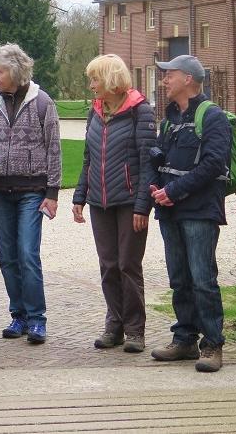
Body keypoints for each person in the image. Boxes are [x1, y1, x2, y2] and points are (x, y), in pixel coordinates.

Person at [149, 54, 231, 373]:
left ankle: (212, 344)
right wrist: (156, 188)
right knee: (179, 279)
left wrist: (173, 191)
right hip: (169, 212)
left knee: (202, 279)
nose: (164, 79)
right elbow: (156, 160)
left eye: (169, 74)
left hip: (198, 211)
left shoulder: (212, 118)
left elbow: (213, 165)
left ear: (188, 79)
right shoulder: (169, 120)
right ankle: (184, 339)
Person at [0, 43, 61, 345]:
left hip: (31, 192)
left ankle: (37, 319)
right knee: (7, 258)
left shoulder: (42, 102)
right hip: (0, 191)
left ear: (14, 71)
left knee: (27, 254)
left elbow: (54, 149)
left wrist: (52, 192)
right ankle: (18, 315)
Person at [71, 54, 157, 354]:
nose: (92, 85)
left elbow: (148, 163)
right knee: (108, 266)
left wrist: (142, 206)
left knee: (128, 265)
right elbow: (88, 158)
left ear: (111, 80)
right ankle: (114, 324)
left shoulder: (140, 111)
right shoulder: (95, 112)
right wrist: (80, 196)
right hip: (100, 202)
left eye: (95, 79)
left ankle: (135, 330)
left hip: (130, 201)